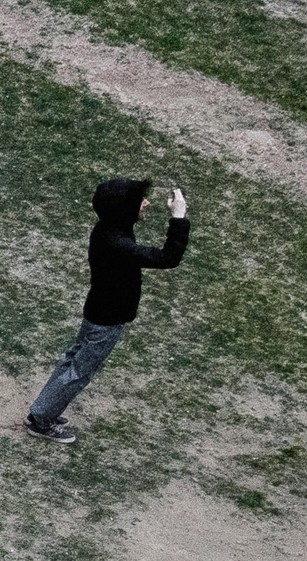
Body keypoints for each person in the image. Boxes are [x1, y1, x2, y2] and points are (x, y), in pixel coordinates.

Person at [23, 177, 192, 443]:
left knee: (72, 362)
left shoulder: (109, 229)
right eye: (140, 201)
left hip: (97, 312)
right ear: (125, 211)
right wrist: (179, 217)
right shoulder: (118, 243)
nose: (146, 203)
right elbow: (167, 258)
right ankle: (41, 420)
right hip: (106, 321)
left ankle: (44, 411)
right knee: (79, 371)